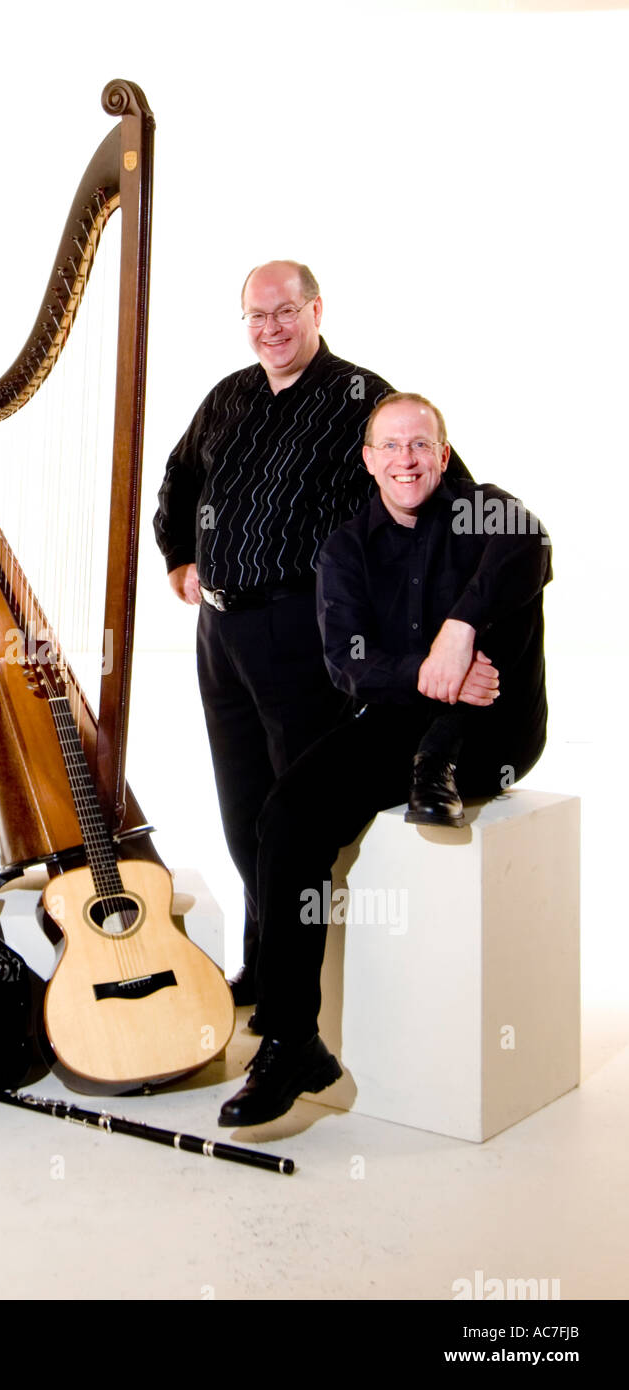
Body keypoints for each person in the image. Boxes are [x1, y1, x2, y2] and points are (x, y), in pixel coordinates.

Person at [217, 392, 550, 1126]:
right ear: (369, 461)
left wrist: (461, 631)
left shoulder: (478, 509)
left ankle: (445, 746)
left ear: (442, 452)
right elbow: (348, 665)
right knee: (286, 817)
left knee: (515, 575)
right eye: (391, 447)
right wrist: (431, 672)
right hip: (403, 722)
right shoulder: (346, 547)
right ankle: (292, 1041)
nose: (406, 460)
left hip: (495, 729)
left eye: (420, 445)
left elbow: (533, 541)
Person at [153, 260, 469, 1007]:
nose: (271, 328)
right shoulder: (230, 395)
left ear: (316, 309)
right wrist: (180, 555)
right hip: (219, 633)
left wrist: (447, 620)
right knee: (240, 813)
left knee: (290, 816)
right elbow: (179, 476)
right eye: (256, 317)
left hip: (299, 628)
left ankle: (293, 997)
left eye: (284, 312)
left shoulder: (362, 396)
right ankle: (261, 967)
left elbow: (434, 486)